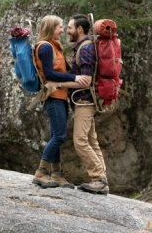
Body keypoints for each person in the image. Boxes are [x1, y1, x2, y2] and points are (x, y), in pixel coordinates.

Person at [32, 15, 89, 189]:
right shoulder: (47, 47)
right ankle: (41, 173)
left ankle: (56, 174)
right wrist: (75, 77)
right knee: (59, 136)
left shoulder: (53, 46)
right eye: (60, 26)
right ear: (51, 28)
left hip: (60, 96)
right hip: (53, 97)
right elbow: (49, 74)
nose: (63, 30)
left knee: (56, 135)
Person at [67, 14, 108, 194]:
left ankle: (98, 178)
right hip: (84, 100)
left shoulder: (85, 49)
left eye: (69, 28)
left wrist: (60, 83)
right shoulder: (83, 47)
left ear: (79, 29)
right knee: (92, 140)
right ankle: (102, 180)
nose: (67, 31)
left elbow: (85, 80)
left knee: (80, 141)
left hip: (85, 100)